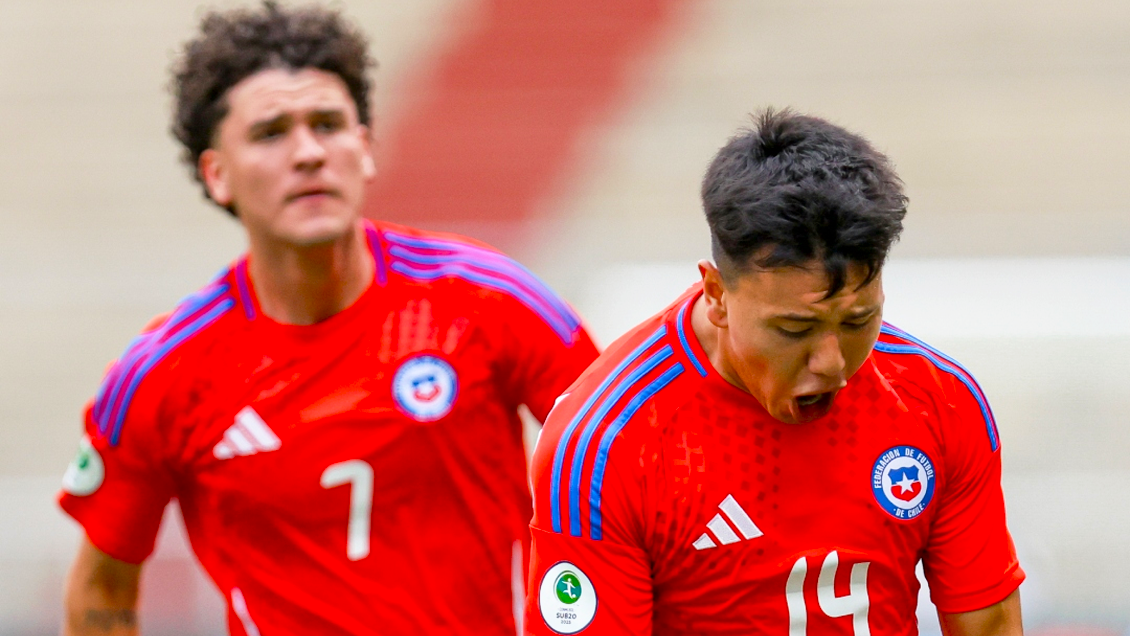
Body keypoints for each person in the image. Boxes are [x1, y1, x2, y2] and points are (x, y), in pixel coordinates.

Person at [57, 3, 598, 634]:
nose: (309, 152)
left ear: (365, 149)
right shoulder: (163, 373)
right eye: (270, 133)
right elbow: (100, 589)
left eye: (328, 124)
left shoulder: (489, 300)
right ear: (217, 174)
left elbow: (629, 473)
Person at [525, 109, 1024, 635]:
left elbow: (988, 625)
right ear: (717, 294)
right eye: (794, 329)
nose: (832, 363)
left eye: (859, 320)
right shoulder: (606, 446)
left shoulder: (938, 400)